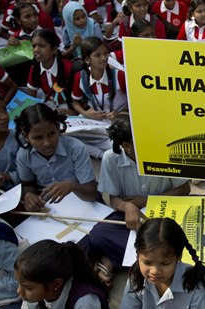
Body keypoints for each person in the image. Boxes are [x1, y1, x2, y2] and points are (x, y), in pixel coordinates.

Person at [80, 116, 190, 289]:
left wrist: (148, 200)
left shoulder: (164, 151)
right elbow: (113, 198)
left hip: (167, 211)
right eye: (143, 143)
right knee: (99, 234)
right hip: (133, 217)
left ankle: (113, 261)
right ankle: (152, 263)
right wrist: (127, 206)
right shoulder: (111, 158)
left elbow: (184, 189)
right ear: (126, 146)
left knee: (186, 232)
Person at [115, 218, 205, 309]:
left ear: (178, 257)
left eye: (165, 264)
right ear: (138, 255)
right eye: (147, 262)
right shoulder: (136, 277)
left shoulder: (197, 286)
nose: (155, 271)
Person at [15, 239, 117, 309]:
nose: (19, 291)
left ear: (56, 284)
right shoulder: (33, 292)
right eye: (19, 283)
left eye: (28, 288)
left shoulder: (84, 304)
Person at [13, 103, 98, 212]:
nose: (47, 143)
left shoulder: (76, 148)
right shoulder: (24, 155)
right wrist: (28, 194)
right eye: (38, 138)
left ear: (58, 128)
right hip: (48, 206)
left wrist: (72, 186)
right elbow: (28, 184)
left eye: (51, 134)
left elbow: (91, 194)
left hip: (81, 201)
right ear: (26, 136)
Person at [72, 36, 127, 121]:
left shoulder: (119, 76)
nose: (104, 58)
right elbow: (75, 102)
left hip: (120, 120)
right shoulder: (80, 77)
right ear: (87, 59)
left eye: (105, 53)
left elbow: (134, 100)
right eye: (98, 55)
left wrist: (121, 113)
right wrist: (85, 113)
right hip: (97, 122)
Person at [27, 29, 75, 113]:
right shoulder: (34, 68)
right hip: (49, 108)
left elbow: (80, 100)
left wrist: (72, 111)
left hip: (70, 108)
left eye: (41, 46)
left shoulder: (69, 68)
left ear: (54, 50)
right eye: (34, 46)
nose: (36, 50)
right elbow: (31, 99)